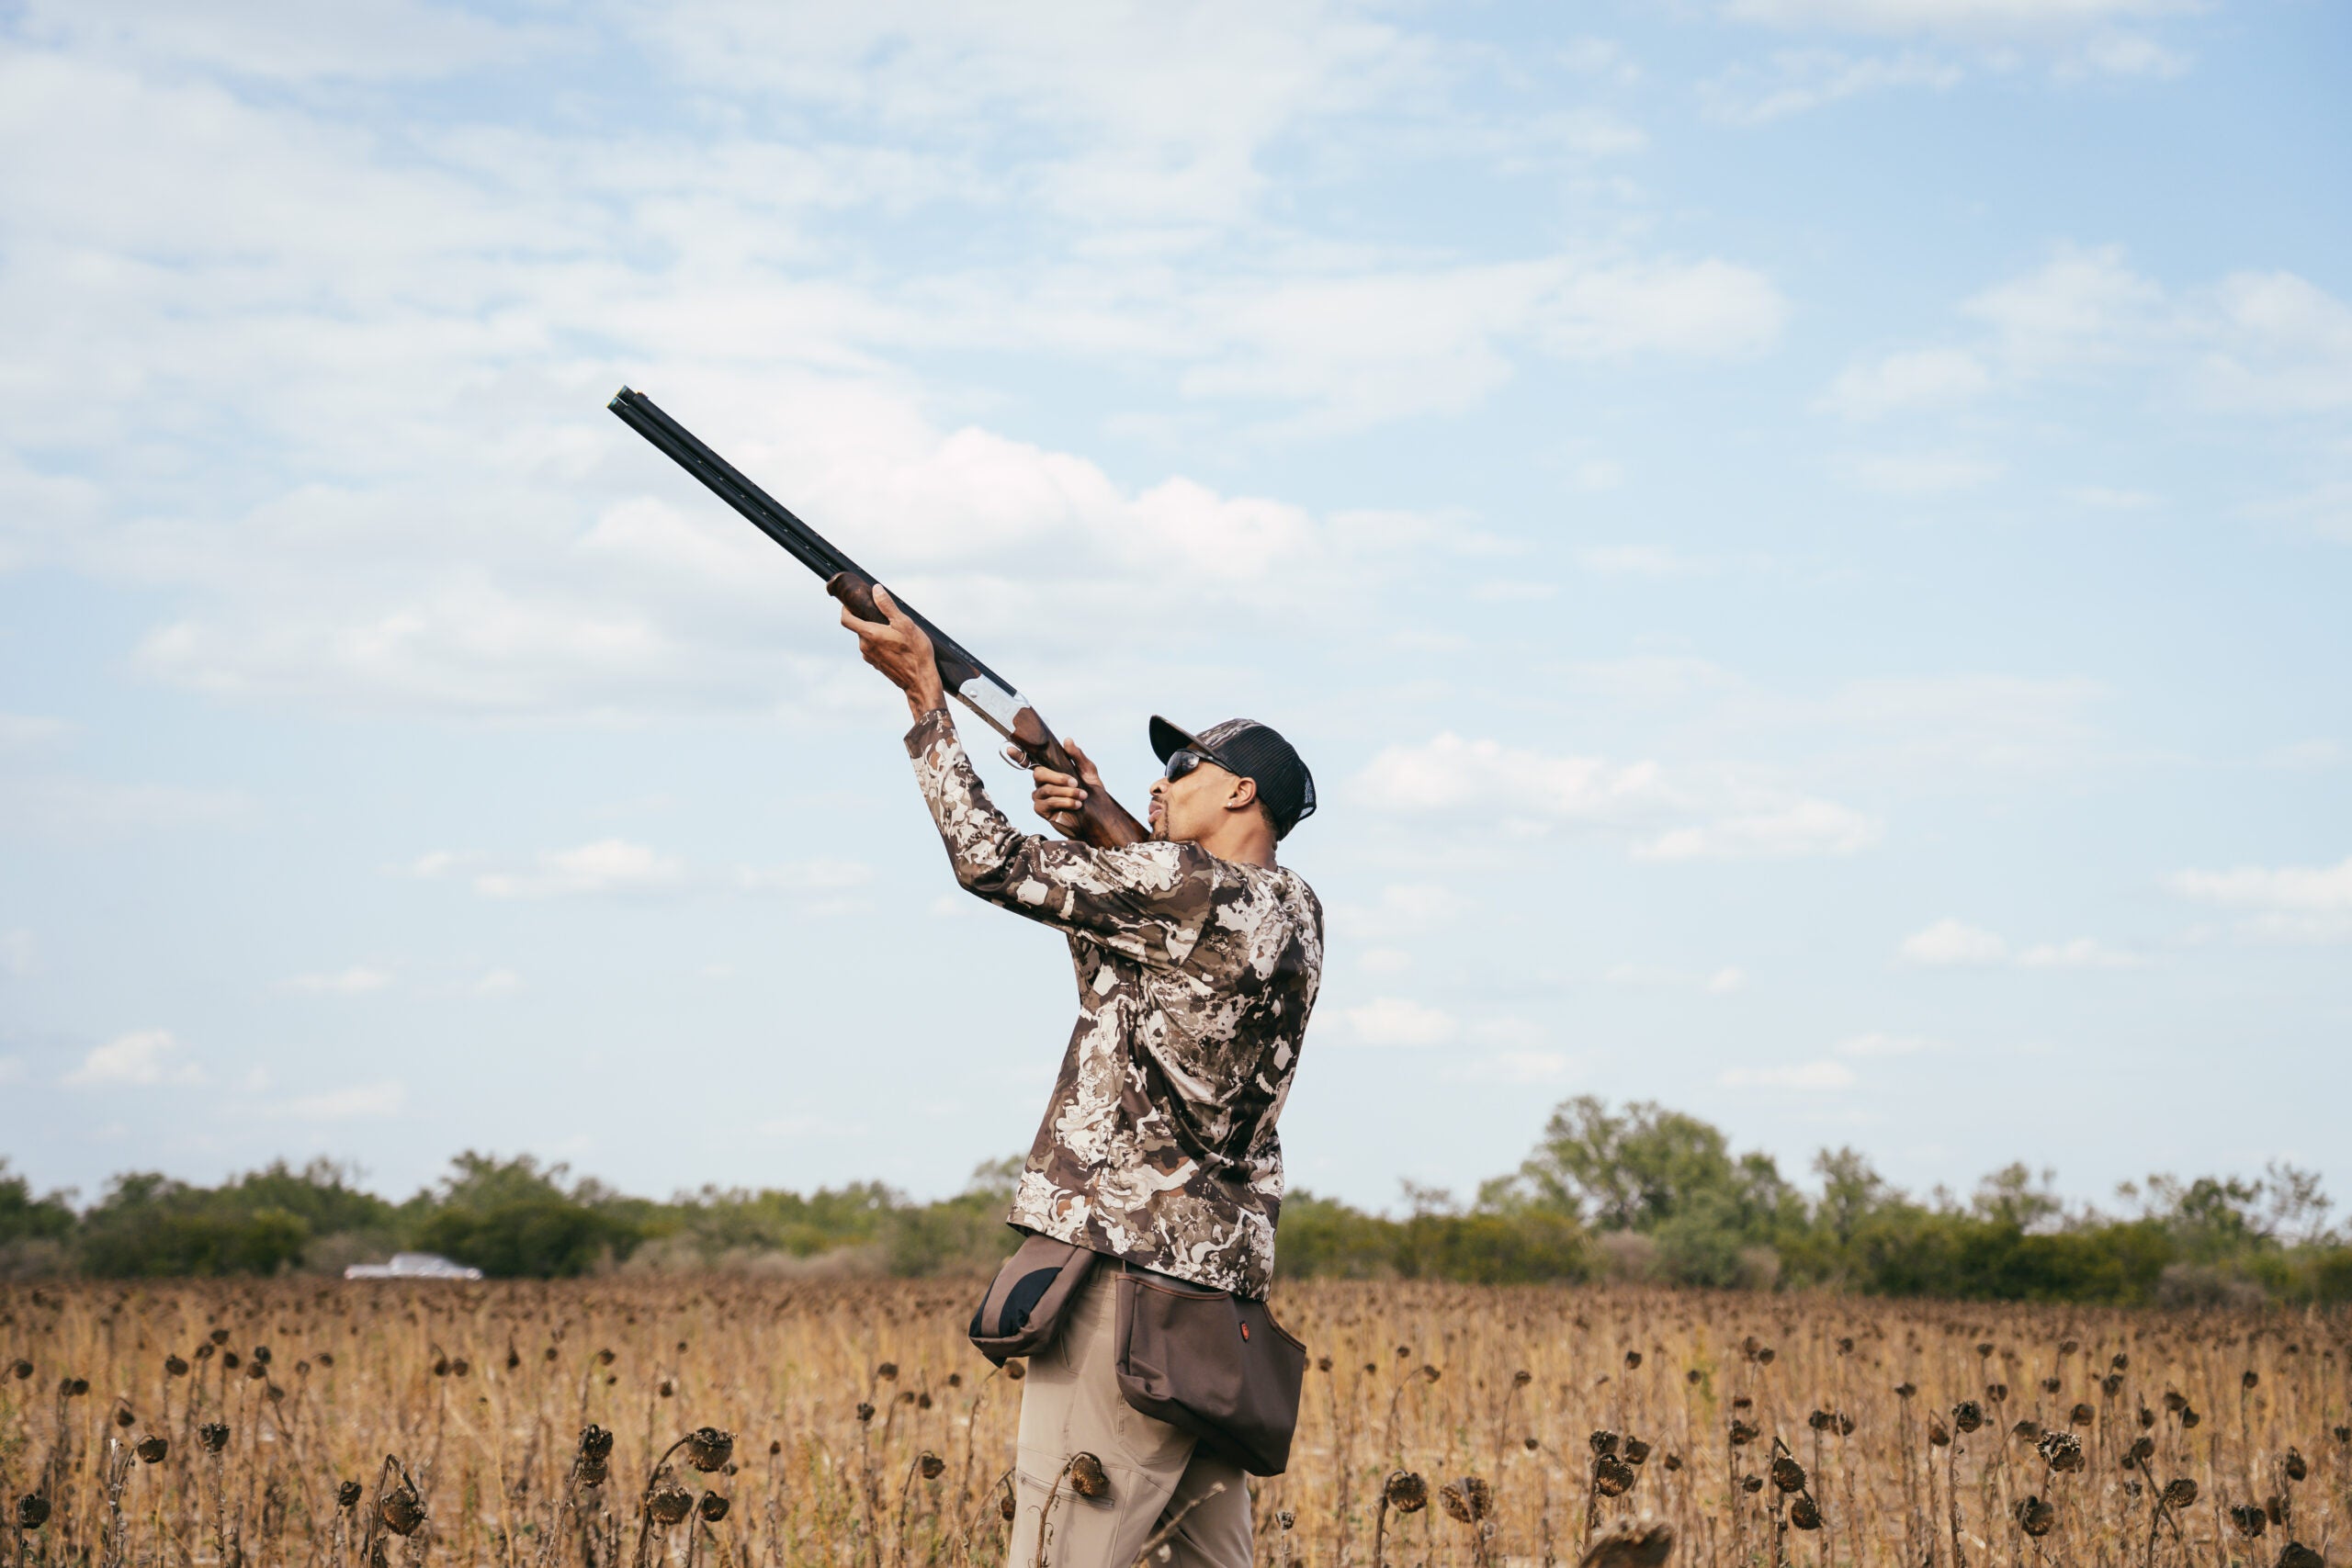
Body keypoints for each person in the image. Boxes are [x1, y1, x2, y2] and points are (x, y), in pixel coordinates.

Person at [840, 588, 1323, 1568]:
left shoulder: (1183, 887)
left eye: (1183, 767)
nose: (1164, 782)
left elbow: (989, 862)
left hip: (1126, 1298)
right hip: (1212, 1312)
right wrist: (1092, 806)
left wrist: (927, 700)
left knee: (1057, 1554)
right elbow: (1159, 914)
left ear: (1241, 794)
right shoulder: (1295, 910)